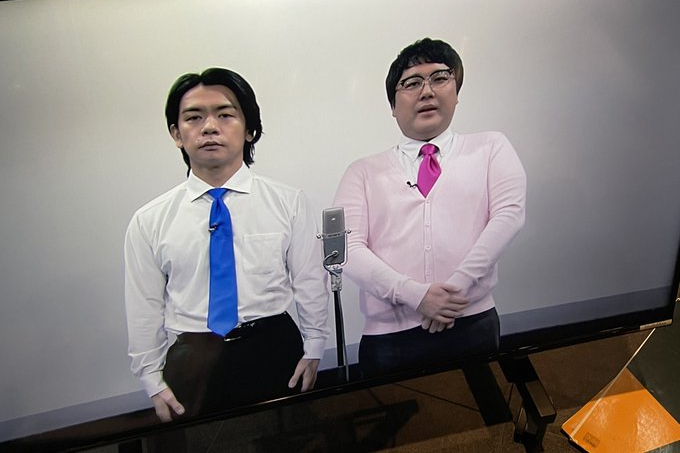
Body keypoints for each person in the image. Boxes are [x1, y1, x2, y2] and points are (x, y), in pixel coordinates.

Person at [125, 68, 330, 422]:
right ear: (176, 134)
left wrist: (314, 347)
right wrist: (152, 379)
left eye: (224, 114)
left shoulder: (288, 202)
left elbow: (310, 281)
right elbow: (143, 305)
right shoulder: (149, 220)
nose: (209, 127)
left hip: (274, 346)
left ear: (250, 129)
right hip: (193, 356)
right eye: (194, 117)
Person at [333, 38, 526, 377]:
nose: (426, 91)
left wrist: (452, 293)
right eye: (411, 83)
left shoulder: (490, 147)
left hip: (471, 322)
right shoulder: (362, 171)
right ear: (393, 105)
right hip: (388, 337)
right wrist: (415, 295)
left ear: (456, 91)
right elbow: (346, 248)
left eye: (439, 78)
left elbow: (508, 216)